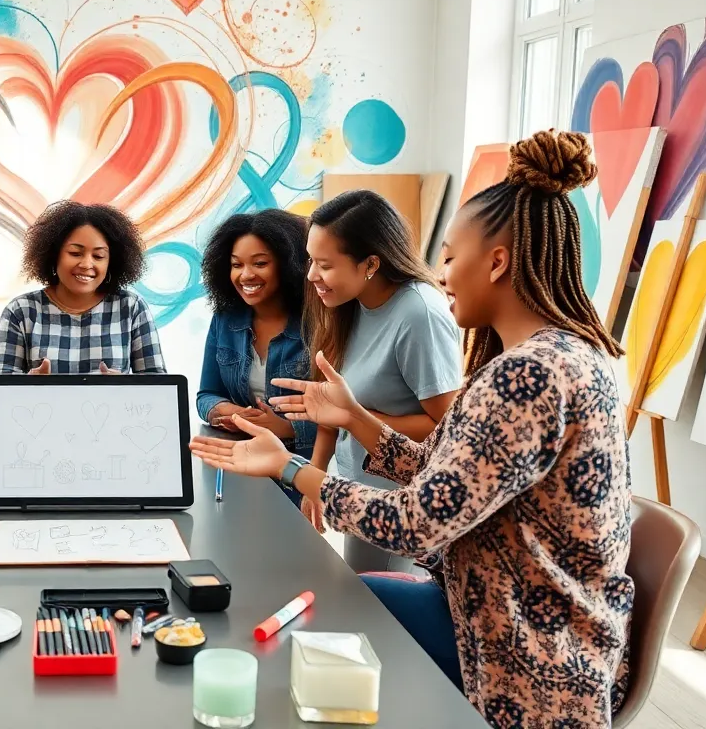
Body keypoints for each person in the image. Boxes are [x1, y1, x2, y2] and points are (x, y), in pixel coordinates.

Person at [190, 131, 632, 728]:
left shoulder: (527, 376)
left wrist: (292, 469)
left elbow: (415, 519)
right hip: (503, 608)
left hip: (526, 648)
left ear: (497, 262)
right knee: (326, 607)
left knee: (318, 629)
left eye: (450, 256)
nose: (441, 275)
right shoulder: (567, 355)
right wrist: (352, 417)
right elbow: (450, 472)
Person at [301, 190, 460, 572]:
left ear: (370, 263)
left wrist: (356, 416)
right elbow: (331, 405)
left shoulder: (418, 315)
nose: (312, 275)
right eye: (311, 261)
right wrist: (316, 476)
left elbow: (450, 431)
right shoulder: (348, 305)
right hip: (360, 495)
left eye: (324, 264)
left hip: (403, 510)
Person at [196, 210, 317, 508]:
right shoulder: (225, 319)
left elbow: (341, 415)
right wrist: (232, 414)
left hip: (302, 465)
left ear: (288, 264)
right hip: (240, 460)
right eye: (236, 265)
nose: (245, 275)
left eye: (259, 263)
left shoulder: (317, 323)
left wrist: (284, 427)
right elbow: (205, 395)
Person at [0, 201, 165, 375]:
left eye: (98, 256)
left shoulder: (130, 307)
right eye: (75, 253)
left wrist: (126, 389)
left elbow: (158, 385)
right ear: (53, 254)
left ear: (112, 262)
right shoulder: (21, 311)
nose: (87, 264)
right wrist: (27, 386)